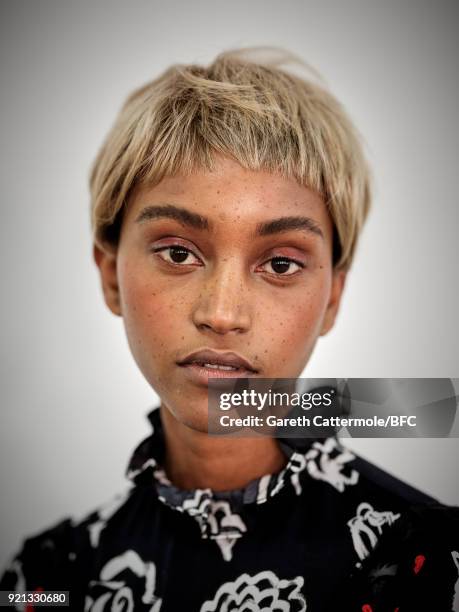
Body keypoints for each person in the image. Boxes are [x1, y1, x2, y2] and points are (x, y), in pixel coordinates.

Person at [1, 48, 458, 612]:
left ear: (332, 298)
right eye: (177, 252)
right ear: (110, 275)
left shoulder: (434, 563)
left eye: (281, 264)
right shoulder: (45, 581)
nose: (222, 313)